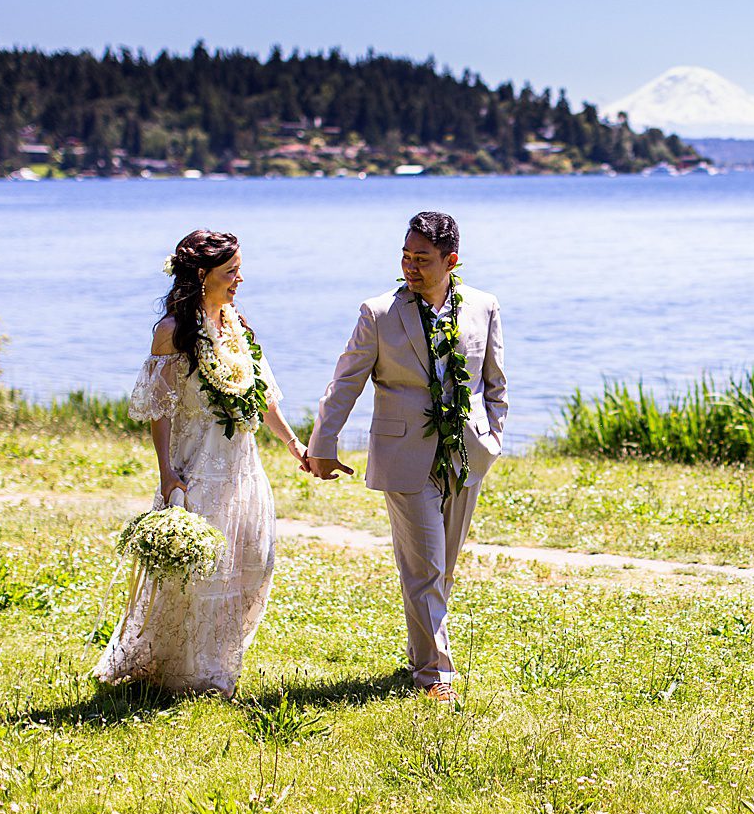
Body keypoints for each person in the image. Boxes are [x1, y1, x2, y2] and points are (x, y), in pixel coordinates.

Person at [304, 211, 507, 702]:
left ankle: (424, 652)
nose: (410, 266)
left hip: (467, 455)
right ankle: (435, 676)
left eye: (422, 259)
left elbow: (495, 383)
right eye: (405, 255)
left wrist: (491, 438)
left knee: (444, 567)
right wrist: (322, 446)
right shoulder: (378, 313)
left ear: (450, 261)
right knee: (425, 569)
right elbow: (345, 382)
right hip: (404, 456)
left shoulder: (483, 306)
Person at [94, 229, 306, 697]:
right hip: (197, 465)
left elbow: (263, 396)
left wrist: (293, 444)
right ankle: (184, 674)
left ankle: (217, 660)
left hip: (242, 466)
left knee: (253, 562)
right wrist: (167, 473)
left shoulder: (236, 324)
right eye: (231, 272)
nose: (239, 279)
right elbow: (160, 407)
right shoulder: (172, 332)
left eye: (238, 270)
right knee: (197, 573)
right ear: (202, 275)